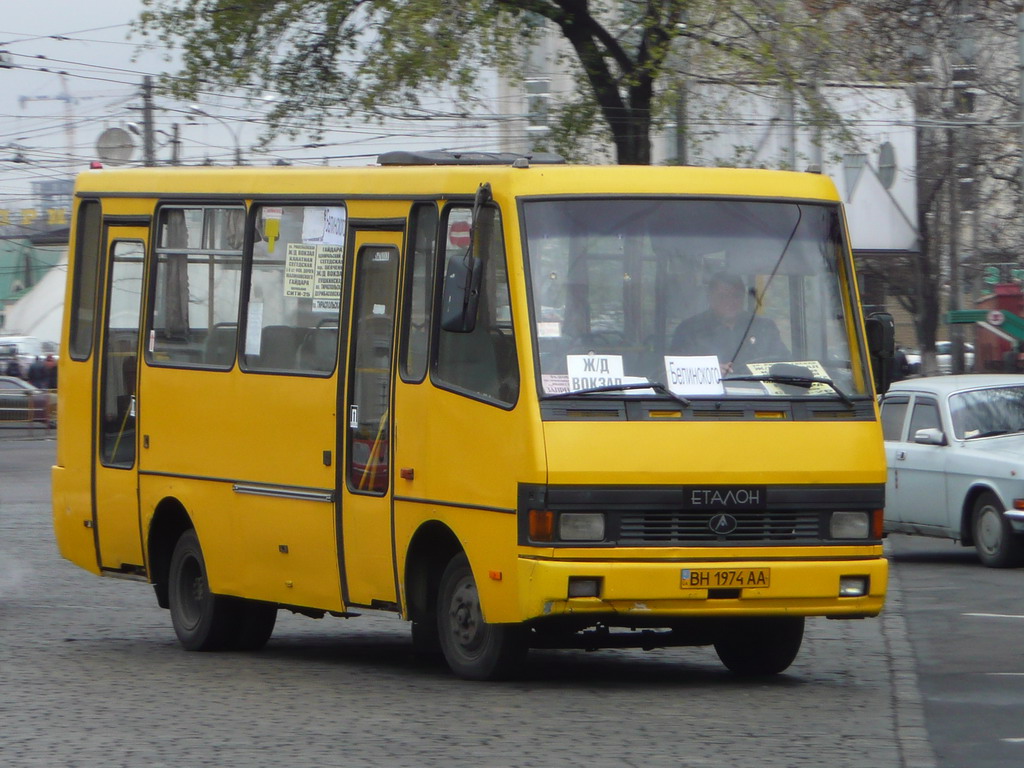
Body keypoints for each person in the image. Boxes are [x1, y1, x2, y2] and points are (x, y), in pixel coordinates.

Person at [671, 272, 789, 374]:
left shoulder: (764, 328)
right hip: (707, 398)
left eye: (735, 296)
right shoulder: (690, 330)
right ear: (710, 297)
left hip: (761, 397)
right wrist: (711, 371)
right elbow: (674, 370)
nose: (730, 301)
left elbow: (784, 364)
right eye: (722, 296)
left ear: (743, 296)